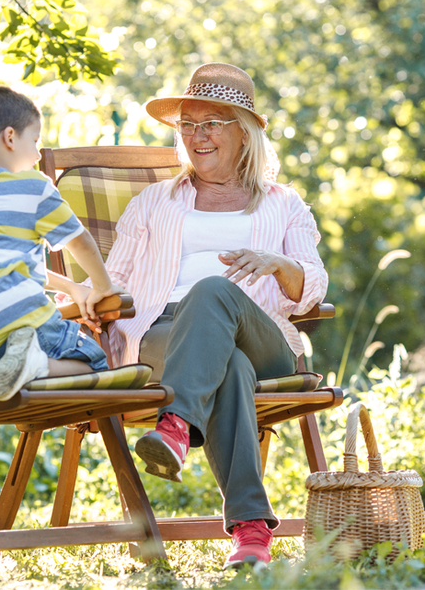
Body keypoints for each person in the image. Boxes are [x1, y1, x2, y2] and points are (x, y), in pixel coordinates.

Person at [102, 63, 328, 569]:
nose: (197, 136)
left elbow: (313, 287)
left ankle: (177, 425)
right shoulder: (153, 202)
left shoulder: (282, 204)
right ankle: (251, 532)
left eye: (212, 124)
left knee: (212, 293)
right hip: (166, 336)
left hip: (263, 338)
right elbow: (112, 287)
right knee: (229, 369)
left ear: (243, 134)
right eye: (188, 124)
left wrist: (280, 265)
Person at [0, 86, 120, 409]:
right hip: (17, 326)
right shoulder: (34, 187)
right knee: (95, 361)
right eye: (34, 141)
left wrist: (73, 287)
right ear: (10, 137)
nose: (37, 154)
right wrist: (103, 287)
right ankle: (37, 366)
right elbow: (82, 242)